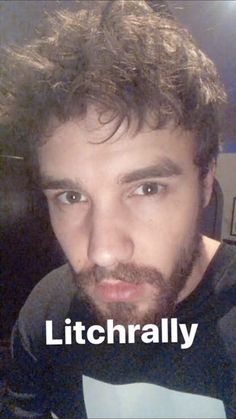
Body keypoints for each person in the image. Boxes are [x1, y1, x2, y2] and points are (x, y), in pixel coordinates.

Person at [1, 1, 235, 418]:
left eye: (147, 188)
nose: (103, 252)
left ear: (205, 182)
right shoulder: (47, 313)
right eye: (71, 197)